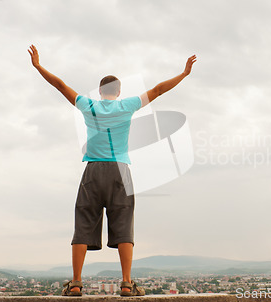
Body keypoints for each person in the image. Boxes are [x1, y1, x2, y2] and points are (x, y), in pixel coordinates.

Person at [28, 45, 197, 296]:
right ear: (118, 92)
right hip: (120, 170)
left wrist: (39, 66)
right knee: (124, 225)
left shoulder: (89, 106)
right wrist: (183, 74)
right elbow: (158, 89)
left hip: (93, 170)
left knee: (83, 224)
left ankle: (75, 283)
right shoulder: (126, 105)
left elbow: (61, 86)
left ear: (99, 91)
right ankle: (127, 284)